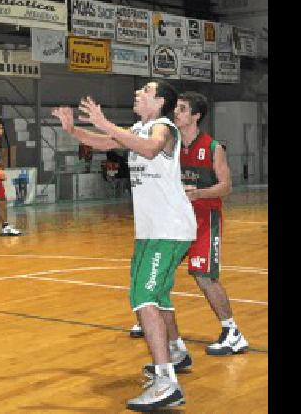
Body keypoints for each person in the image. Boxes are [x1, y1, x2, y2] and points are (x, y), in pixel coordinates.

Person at [51, 80, 195, 411]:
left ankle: (166, 383)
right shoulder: (138, 127)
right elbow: (103, 142)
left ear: (159, 102)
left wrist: (105, 123)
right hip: (151, 231)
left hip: (168, 229)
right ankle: (175, 351)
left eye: (145, 91)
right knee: (155, 296)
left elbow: (148, 148)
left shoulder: (164, 127)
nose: (137, 94)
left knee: (143, 298)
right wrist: (74, 130)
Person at [129, 92, 248, 357]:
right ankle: (150, 316)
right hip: (175, 220)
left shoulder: (213, 147)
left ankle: (232, 332)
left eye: (183, 110)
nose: (176, 113)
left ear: (196, 116)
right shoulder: (170, 141)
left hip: (205, 219)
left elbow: (226, 186)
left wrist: (199, 193)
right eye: (176, 109)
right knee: (159, 268)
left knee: (204, 275)